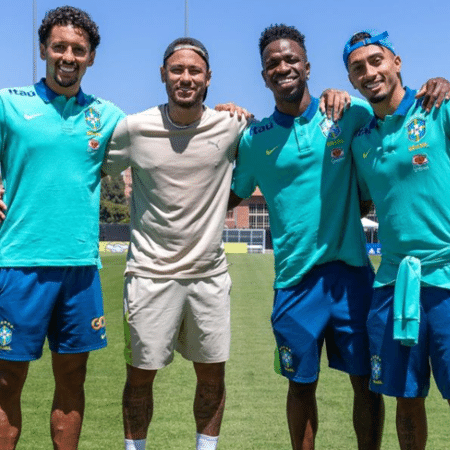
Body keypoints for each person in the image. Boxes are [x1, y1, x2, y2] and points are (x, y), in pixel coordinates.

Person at [230, 24, 450, 450]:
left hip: (355, 277)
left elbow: (392, 131)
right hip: (296, 282)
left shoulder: (352, 117)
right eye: (272, 63)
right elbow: (230, 195)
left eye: (291, 59)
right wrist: (220, 120)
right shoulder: (255, 140)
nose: (283, 67)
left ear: (308, 66)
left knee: (368, 384)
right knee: (301, 387)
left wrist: (440, 83)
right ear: (263, 75)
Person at [102, 37, 249, 450]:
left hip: (209, 276)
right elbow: (81, 163)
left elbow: (267, 154)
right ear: (163, 75)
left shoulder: (231, 125)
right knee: (139, 378)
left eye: (194, 71)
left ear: (208, 78)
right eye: (177, 70)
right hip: (150, 275)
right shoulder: (134, 128)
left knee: (212, 377)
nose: (185, 78)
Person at [0, 6, 125, 450]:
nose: (67, 56)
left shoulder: (108, 115)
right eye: (59, 47)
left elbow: (171, 124)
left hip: (79, 267)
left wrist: (225, 108)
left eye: (78, 49)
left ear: (90, 57)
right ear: (43, 51)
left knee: (72, 382)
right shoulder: (9, 102)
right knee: (6, 382)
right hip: (18, 264)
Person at [344, 29, 450, 450]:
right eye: (358, 68)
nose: (369, 72)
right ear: (351, 80)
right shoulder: (362, 141)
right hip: (392, 285)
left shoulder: (437, 109)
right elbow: (363, 201)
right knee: (406, 400)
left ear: (397, 62)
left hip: (445, 280)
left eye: (376, 61)